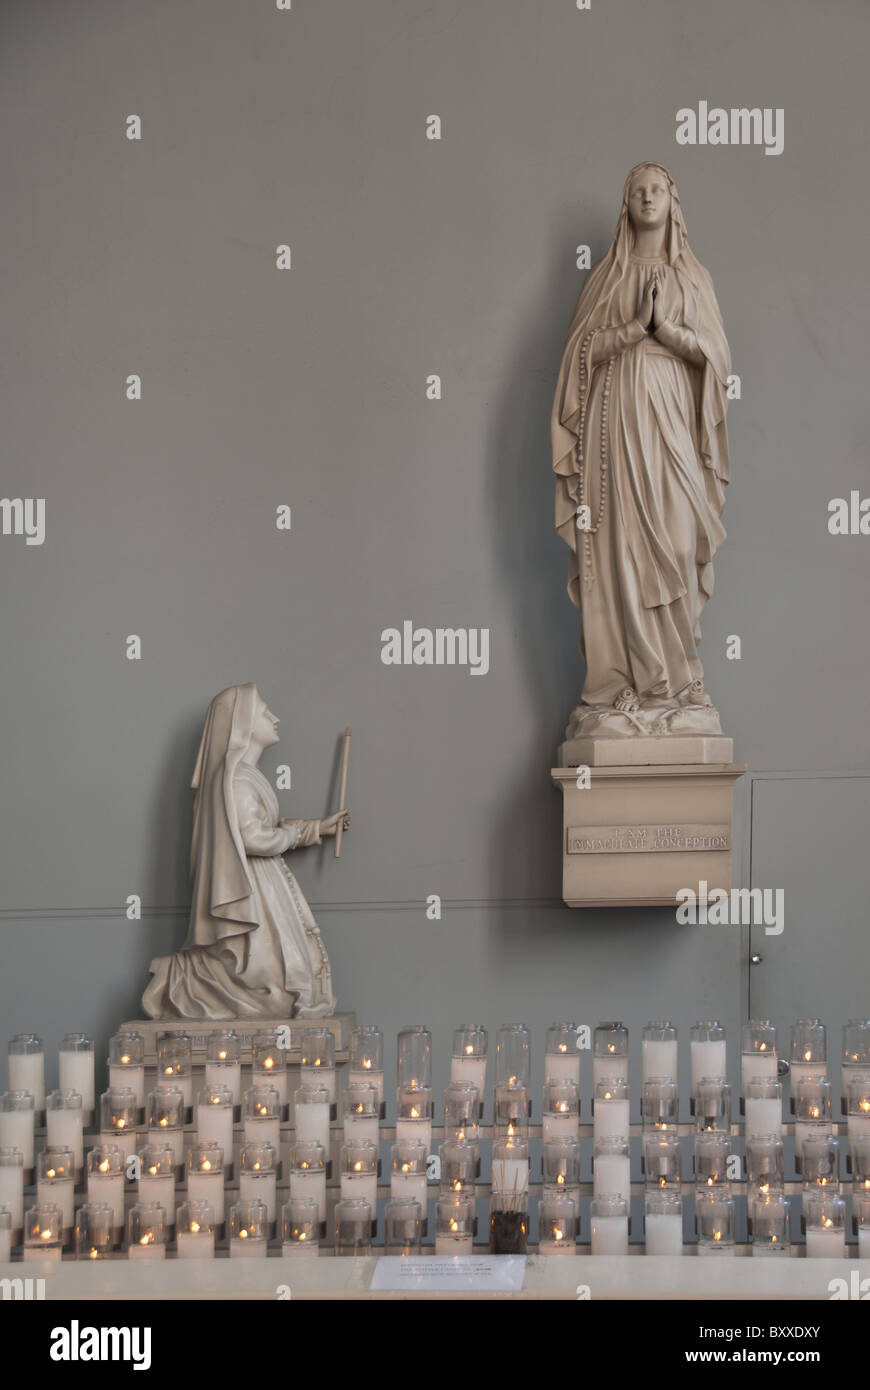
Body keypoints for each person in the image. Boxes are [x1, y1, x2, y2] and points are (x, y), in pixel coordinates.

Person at [551, 163, 731, 725]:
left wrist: (668, 333)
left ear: (673, 202)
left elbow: (717, 362)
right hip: (615, 425)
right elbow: (577, 361)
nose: (648, 197)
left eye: (658, 189)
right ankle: (623, 684)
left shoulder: (693, 277)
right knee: (619, 547)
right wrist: (632, 330)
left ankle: (677, 685)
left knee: (676, 542)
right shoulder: (605, 278)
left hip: (672, 419)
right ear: (625, 205)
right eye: (638, 191)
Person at [142, 683, 346, 1019]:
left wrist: (316, 828)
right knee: (274, 985)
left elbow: (268, 825)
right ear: (244, 723)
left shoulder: (243, 777)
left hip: (263, 881)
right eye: (265, 712)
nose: (274, 717)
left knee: (282, 977)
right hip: (251, 884)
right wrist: (296, 834)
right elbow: (254, 839)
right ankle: (181, 978)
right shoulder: (235, 780)